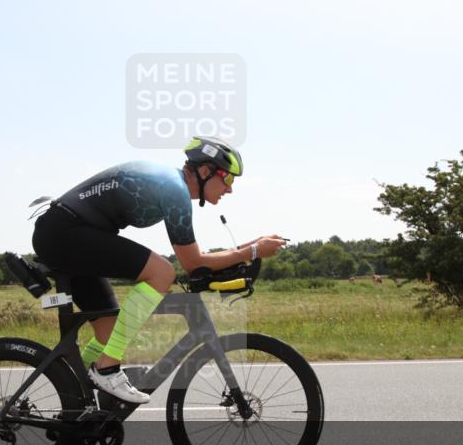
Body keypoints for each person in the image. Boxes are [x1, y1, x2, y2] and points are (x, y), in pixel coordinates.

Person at [31, 137, 287, 404]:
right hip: (64, 234)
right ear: (204, 171)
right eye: (228, 179)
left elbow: (196, 259)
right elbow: (193, 263)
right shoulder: (174, 191)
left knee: (110, 336)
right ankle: (107, 370)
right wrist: (254, 252)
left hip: (68, 235)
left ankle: (76, 402)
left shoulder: (171, 185)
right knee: (162, 273)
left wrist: (252, 246)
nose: (230, 189)